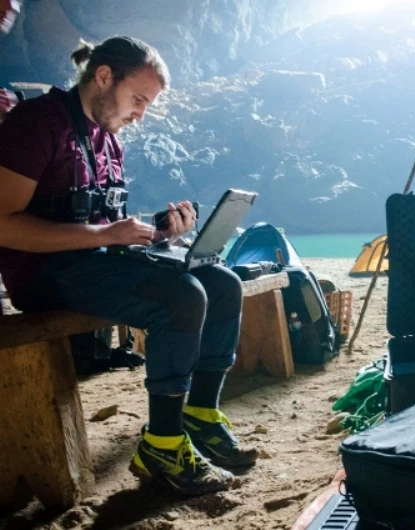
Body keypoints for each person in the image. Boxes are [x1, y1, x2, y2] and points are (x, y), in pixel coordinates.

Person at [0, 36, 256, 496]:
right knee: (181, 297)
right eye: (138, 99)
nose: (140, 114)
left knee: (222, 283)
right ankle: (163, 445)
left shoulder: (107, 140)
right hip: (42, 275)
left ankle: (199, 414)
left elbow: (105, 223)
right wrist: (106, 236)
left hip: (96, 264)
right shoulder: (36, 124)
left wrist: (161, 233)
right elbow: (3, 223)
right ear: (103, 77)